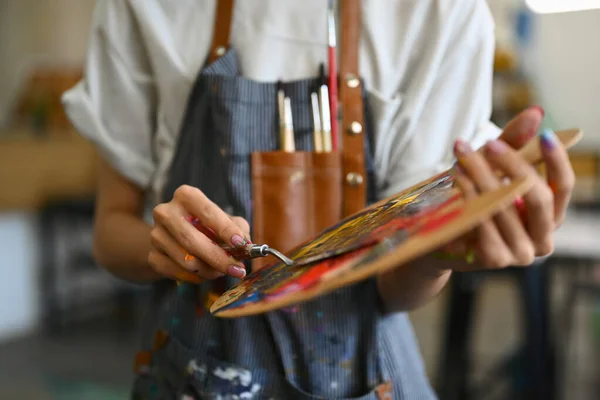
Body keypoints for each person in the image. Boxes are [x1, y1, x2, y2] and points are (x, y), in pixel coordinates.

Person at [62, 0, 575, 398]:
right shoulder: (147, 8)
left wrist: (434, 257)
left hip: (366, 380)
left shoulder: (438, 13)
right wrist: (162, 250)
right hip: (191, 378)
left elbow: (393, 290)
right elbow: (111, 230)